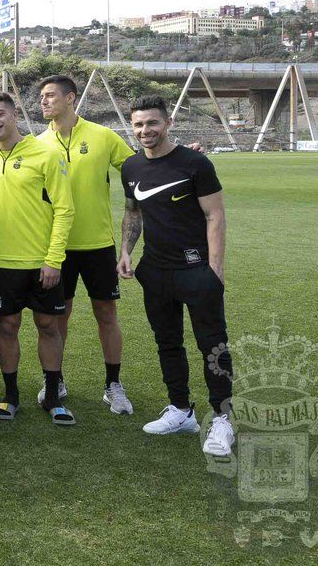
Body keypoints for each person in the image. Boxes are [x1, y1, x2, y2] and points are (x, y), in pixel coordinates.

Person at [118, 96, 233, 457]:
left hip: (196, 269)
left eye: (151, 123)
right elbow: (132, 212)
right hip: (155, 270)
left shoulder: (195, 163)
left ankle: (223, 417)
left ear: (167, 123)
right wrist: (125, 250)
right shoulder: (131, 166)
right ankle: (181, 410)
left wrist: (214, 268)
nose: (144, 131)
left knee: (212, 345)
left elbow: (214, 215)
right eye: (138, 125)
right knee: (167, 343)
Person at [36, 75, 135, 415]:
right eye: (42, 97)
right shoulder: (37, 143)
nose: (44, 102)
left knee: (106, 313)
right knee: (56, 319)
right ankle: (56, 380)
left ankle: (113, 384)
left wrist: (174, 155)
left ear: (70, 98)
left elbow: (137, 167)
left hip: (97, 245)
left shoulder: (103, 136)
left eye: (50, 96)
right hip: (55, 248)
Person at [0, 92, 77, 426]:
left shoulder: (45, 154)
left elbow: (65, 210)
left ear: (15, 115)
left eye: (0, 114)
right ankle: (11, 395)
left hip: (41, 262)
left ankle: (52, 396)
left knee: (48, 325)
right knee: (6, 326)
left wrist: (53, 259)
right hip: (2, 262)